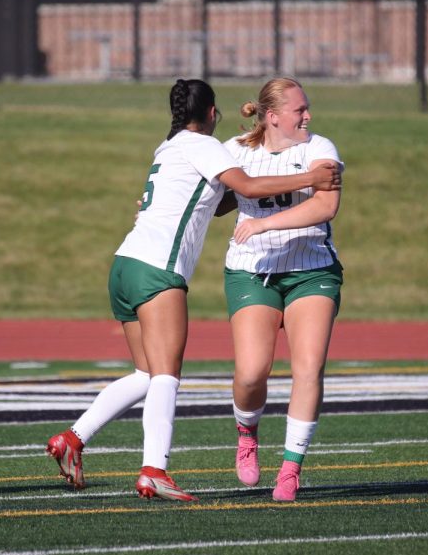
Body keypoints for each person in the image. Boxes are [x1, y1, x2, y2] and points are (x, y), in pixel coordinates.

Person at [46, 79, 340, 501]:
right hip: (157, 269)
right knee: (166, 376)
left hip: (124, 263)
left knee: (146, 374)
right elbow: (251, 188)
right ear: (210, 112)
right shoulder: (205, 145)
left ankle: (73, 438)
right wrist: (312, 177)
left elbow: (216, 197)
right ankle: (154, 470)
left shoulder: (167, 147)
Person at [221, 78, 344, 502]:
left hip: (312, 270)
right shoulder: (236, 149)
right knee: (252, 371)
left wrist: (262, 223)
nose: (308, 116)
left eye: (307, 109)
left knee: (308, 369)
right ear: (272, 117)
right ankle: (247, 435)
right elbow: (209, 195)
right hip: (252, 271)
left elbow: (325, 206)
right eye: (299, 110)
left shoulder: (320, 149)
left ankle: (291, 469)